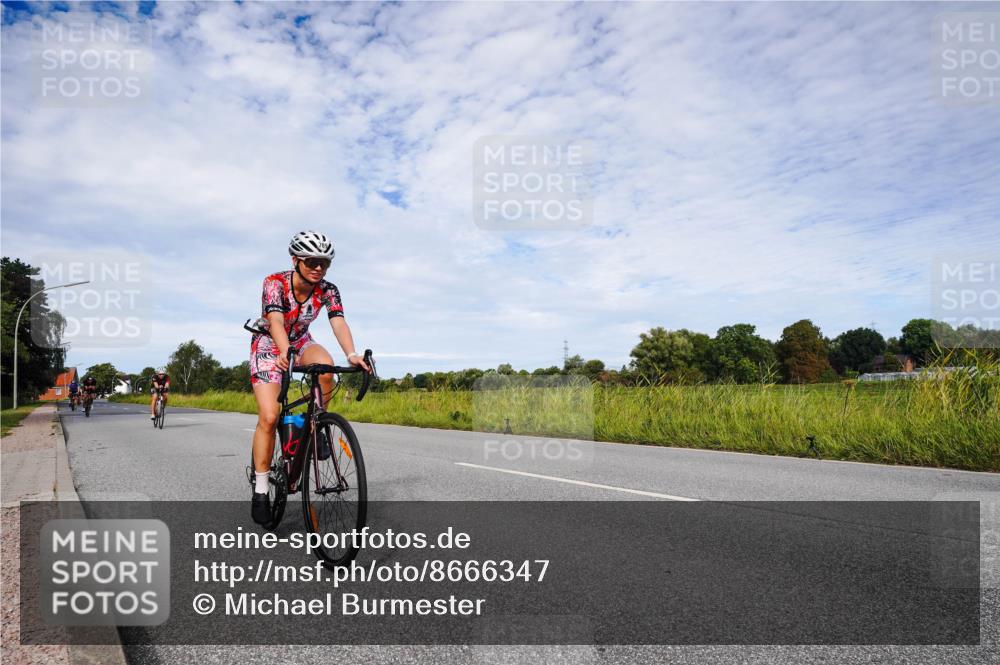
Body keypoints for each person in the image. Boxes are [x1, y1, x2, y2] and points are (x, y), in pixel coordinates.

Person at [249, 231, 370, 525]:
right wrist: (283, 350)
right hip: (269, 343)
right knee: (269, 415)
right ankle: (262, 488)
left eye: (325, 263)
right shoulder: (274, 283)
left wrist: (352, 353)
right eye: (312, 261)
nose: (319, 268)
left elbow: (338, 321)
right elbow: (276, 321)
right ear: (296, 260)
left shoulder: (328, 289)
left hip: (302, 341)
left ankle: (317, 424)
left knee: (326, 365)